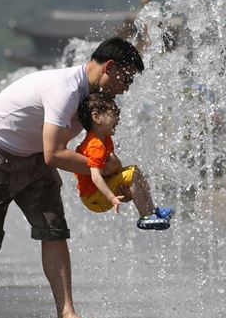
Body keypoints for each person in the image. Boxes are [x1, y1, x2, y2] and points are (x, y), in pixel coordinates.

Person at [0, 37, 143, 318]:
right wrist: (102, 170)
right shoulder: (64, 90)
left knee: (54, 231)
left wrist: (114, 182)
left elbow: (91, 152)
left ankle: (66, 315)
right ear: (109, 67)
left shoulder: (95, 100)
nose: (127, 86)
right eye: (126, 77)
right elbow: (56, 155)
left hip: (35, 156)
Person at [74, 93, 173, 229]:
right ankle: (145, 217)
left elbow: (115, 167)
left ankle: (152, 210)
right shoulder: (95, 145)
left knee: (134, 171)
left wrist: (126, 185)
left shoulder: (106, 140)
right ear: (97, 117)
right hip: (92, 197)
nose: (118, 119)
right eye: (114, 113)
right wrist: (112, 198)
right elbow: (95, 177)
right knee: (132, 173)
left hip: (98, 192)